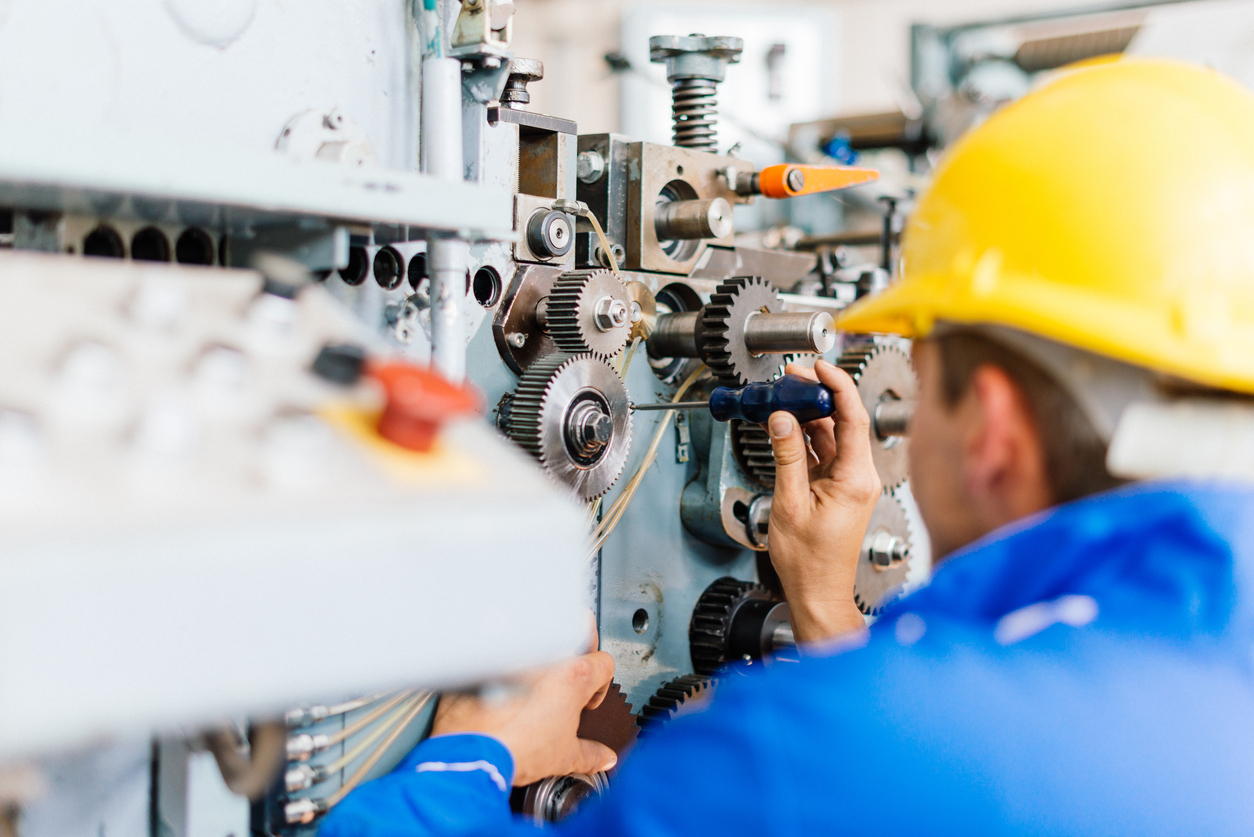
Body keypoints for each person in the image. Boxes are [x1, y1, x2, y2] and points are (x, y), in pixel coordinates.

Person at [320, 58, 1254, 836]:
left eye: (919, 390)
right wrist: (822, 606)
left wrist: (466, 759)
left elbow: (888, 765)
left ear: (994, 432)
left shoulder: (803, 754)